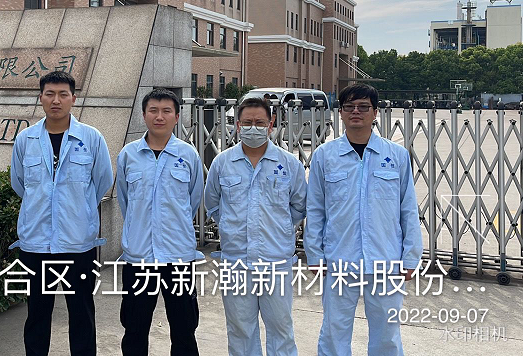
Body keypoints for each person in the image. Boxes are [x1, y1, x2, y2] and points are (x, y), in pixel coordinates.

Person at [304, 84, 423, 356]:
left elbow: (407, 209)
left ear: (375, 112)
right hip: (339, 258)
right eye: (349, 106)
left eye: (363, 107)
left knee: (387, 333)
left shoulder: (396, 156)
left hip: (385, 259)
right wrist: (315, 254)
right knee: (334, 330)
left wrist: (410, 256)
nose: (355, 112)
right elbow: (316, 209)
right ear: (341, 113)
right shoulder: (325, 156)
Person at [10, 71, 114, 356]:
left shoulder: (91, 138)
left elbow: (102, 181)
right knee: (37, 314)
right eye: (50, 94)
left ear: (73, 99)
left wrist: (77, 209)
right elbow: (20, 183)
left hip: (77, 242)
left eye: (63, 94)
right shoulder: (26, 139)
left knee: (81, 314)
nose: (56, 100)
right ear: (41, 98)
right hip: (36, 244)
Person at [205, 96, 307, 356]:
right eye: (247, 122)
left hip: (276, 262)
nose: (254, 128)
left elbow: (299, 206)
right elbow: (213, 204)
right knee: (240, 329)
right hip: (236, 262)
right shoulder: (222, 163)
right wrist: (231, 228)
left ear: (271, 125)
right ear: (238, 126)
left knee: (281, 329)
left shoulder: (289, 163)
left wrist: (280, 229)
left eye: (260, 123)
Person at [116, 88, 204, 355]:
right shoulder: (129, 155)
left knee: (184, 328)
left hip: (178, 257)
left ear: (176, 117)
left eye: (166, 111)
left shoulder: (188, 155)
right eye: (153, 110)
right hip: (139, 257)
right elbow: (125, 201)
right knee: (134, 327)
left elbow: (193, 199)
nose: (159, 116)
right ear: (144, 115)